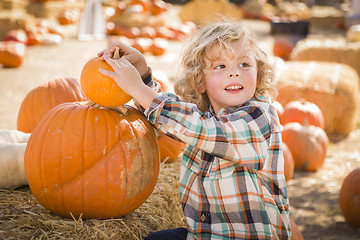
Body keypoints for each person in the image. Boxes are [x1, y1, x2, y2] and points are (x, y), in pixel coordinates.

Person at [98, 20, 291, 239]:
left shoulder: (260, 118)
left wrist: (137, 88)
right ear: (200, 82)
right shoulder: (202, 118)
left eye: (245, 64)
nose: (234, 73)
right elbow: (172, 123)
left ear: (258, 73)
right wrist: (142, 73)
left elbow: (202, 129)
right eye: (220, 66)